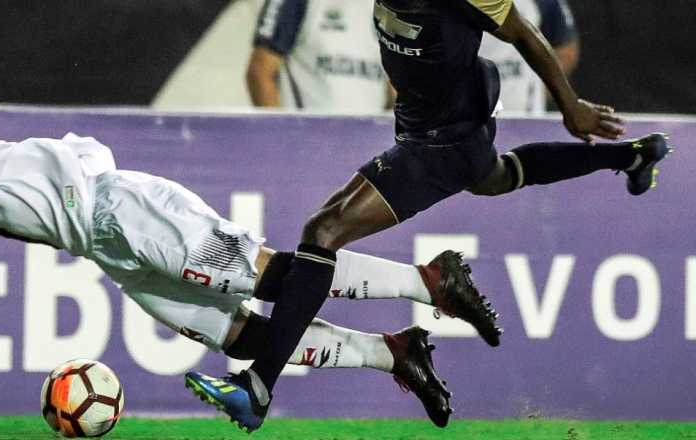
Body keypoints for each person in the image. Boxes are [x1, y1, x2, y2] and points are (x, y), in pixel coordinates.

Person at [0, 75, 487, 425]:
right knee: (237, 333)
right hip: (109, 252)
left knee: (276, 278)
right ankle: (398, 356)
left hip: (122, 211)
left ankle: (428, 278)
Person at [187, 0, 673, 432]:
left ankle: (257, 387)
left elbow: (524, 31)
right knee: (497, 177)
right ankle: (631, 156)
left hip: (443, 141)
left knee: (324, 231)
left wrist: (571, 107)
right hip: (428, 125)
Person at [247, 0, 388, 113]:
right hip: (308, 142)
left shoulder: (388, 8)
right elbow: (260, 73)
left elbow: (395, 87)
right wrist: (281, 139)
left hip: (370, 141)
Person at [478, 0, 578, 114]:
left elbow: (565, 51)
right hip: (469, 116)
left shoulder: (542, 4)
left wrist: (539, 93)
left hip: (526, 117)